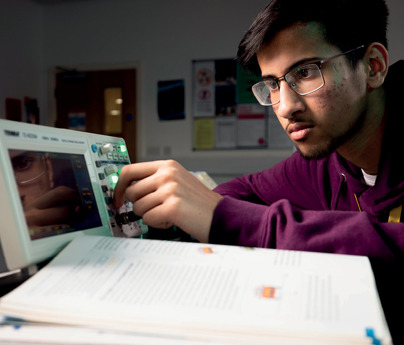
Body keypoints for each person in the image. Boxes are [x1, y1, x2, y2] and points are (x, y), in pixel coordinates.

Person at [113, 0, 403, 341]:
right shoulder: (329, 159)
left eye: (306, 72)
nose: (286, 106)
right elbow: (246, 189)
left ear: (373, 66)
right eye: (273, 85)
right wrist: (192, 204)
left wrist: (225, 218)